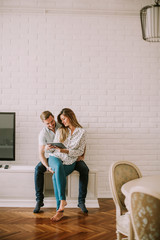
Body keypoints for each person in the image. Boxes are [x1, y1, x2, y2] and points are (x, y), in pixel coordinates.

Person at [33, 110, 89, 215]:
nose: (51, 124)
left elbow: (82, 145)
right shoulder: (45, 133)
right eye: (47, 123)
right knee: (39, 169)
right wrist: (47, 151)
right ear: (44, 123)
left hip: (69, 157)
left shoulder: (63, 126)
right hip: (54, 156)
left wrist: (82, 155)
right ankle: (40, 200)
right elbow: (41, 153)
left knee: (83, 169)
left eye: (52, 122)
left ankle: (63, 209)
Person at [48, 108, 88, 221]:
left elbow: (80, 151)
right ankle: (62, 201)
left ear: (70, 116)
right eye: (61, 120)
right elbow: (55, 148)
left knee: (55, 176)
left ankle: (59, 211)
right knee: (58, 167)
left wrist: (66, 151)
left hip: (70, 160)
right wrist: (51, 147)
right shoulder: (61, 130)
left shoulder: (82, 132)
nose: (63, 122)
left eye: (64, 119)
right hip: (55, 157)